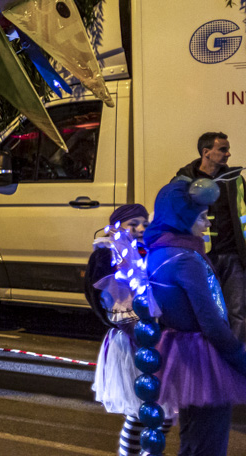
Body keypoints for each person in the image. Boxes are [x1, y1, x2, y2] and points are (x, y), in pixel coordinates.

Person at [146, 177, 246, 456]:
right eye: (202, 216)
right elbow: (211, 320)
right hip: (205, 356)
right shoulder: (185, 258)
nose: (209, 223)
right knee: (209, 443)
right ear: (183, 217)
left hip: (181, 353)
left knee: (193, 438)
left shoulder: (158, 250)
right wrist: (239, 356)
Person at [87, 204, 172, 455]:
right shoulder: (106, 254)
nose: (140, 228)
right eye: (133, 223)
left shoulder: (149, 251)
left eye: (144, 223)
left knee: (162, 414)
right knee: (139, 414)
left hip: (155, 340)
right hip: (132, 344)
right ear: (117, 226)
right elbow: (104, 301)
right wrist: (135, 330)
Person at [176, 132, 246, 341]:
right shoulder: (184, 181)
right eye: (223, 149)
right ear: (207, 152)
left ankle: (237, 362)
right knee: (207, 312)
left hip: (234, 255)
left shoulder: (234, 179)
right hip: (201, 257)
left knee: (238, 313)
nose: (228, 154)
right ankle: (210, 360)